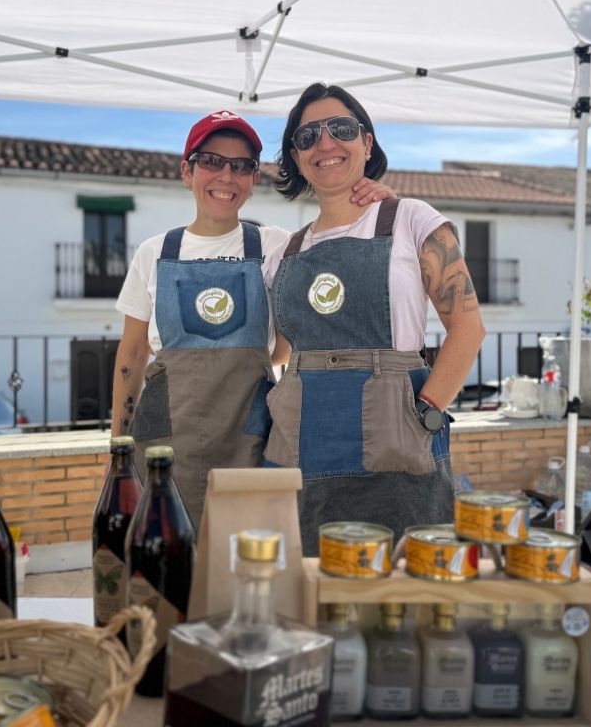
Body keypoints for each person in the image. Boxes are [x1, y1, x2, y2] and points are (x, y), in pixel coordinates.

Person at [112, 109, 394, 527]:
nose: (226, 176)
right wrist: (116, 451)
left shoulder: (275, 246)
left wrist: (373, 200)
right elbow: (132, 355)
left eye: (241, 166)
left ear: (252, 180)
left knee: (242, 559)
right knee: (167, 561)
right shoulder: (154, 252)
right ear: (186, 172)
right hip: (165, 441)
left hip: (249, 436)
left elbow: (339, 256)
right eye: (211, 161)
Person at [263, 84, 487, 551]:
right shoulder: (287, 250)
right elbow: (281, 350)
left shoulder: (411, 219)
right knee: (314, 591)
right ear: (295, 157)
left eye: (341, 129)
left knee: (403, 592)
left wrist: (425, 415)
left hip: (398, 442)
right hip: (302, 446)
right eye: (307, 137)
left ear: (366, 143)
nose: (325, 143)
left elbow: (468, 327)